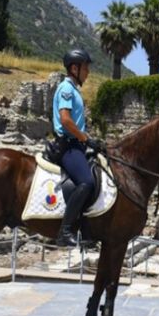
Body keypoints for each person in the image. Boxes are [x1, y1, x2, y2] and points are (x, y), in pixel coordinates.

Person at [52, 49, 104, 247]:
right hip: (68, 146)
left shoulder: (74, 90)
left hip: (77, 144)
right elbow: (65, 119)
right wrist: (84, 138)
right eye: (86, 67)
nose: (88, 72)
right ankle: (65, 231)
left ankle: (85, 229)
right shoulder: (66, 88)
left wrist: (89, 140)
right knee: (87, 182)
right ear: (75, 68)